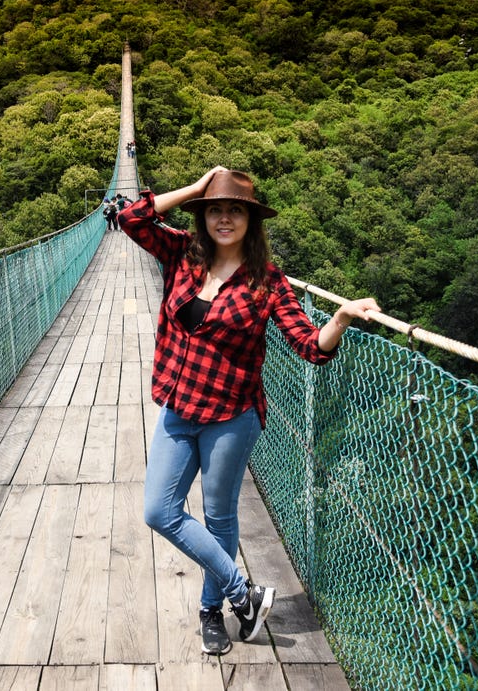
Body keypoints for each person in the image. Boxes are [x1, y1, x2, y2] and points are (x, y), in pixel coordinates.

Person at [118, 166, 379, 656]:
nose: (223, 218)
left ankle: (210, 612)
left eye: (234, 210)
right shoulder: (181, 254)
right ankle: (244, 594)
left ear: (251, 221)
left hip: (231, 417)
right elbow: (133, 217)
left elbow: (309, 346)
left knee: (218, 517)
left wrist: (339, 318)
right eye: (214, 209)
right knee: (159, 510)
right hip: (178, 407)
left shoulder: (268, 283)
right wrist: (197, 188)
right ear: (203, 216)